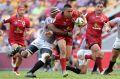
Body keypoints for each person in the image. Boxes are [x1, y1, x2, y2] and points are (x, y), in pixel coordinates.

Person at [10, 7, 60, 78]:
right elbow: (52, 29)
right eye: (57, 12)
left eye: (59, 12)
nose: (59, 13)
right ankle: (18, 49)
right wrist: (52, 32)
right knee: (25, 55)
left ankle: (30, 72)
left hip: (48, 44)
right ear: (52, 13)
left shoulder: (59, 20)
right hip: (40, 40)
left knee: (45, 56)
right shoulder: (49, 19)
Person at [48, 4, 87, 77]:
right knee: (63, 50)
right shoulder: (58, 17)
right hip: (60, 35)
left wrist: (84, 22)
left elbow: (82, 16)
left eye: (71, 11)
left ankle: (54, 57)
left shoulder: (75, 13)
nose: (70, 13)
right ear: (64, 11)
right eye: (68, 11)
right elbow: (54, 28)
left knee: (67, 58)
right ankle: (64, 71)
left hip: (69, 36)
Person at [0, 4, 30, 76]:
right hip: (12, 39)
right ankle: (13, 55)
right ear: (17, 10)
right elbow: (2, 22)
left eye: (23, 10)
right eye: (20, 10)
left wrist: (27, 34)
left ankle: (15, 69)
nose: (22, 11)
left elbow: (28, 29)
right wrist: (1, 30)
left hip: (21, 39)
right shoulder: (12, 18)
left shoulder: (26, 20)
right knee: (18, 48)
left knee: (21, 56)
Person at [83, 2, 109, 74]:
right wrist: (81, 25)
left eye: (101, 7)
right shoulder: (89, 14)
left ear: (103, 8)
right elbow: (83, 21)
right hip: (90, 36)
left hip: (98, 38)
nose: (99, 8)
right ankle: (101, 71)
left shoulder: (105, 17)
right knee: (100, 53)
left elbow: (107, 25)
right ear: (95, 7)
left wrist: (107, 28)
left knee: (97, 56)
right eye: (98, 6)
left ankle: (93, 68)